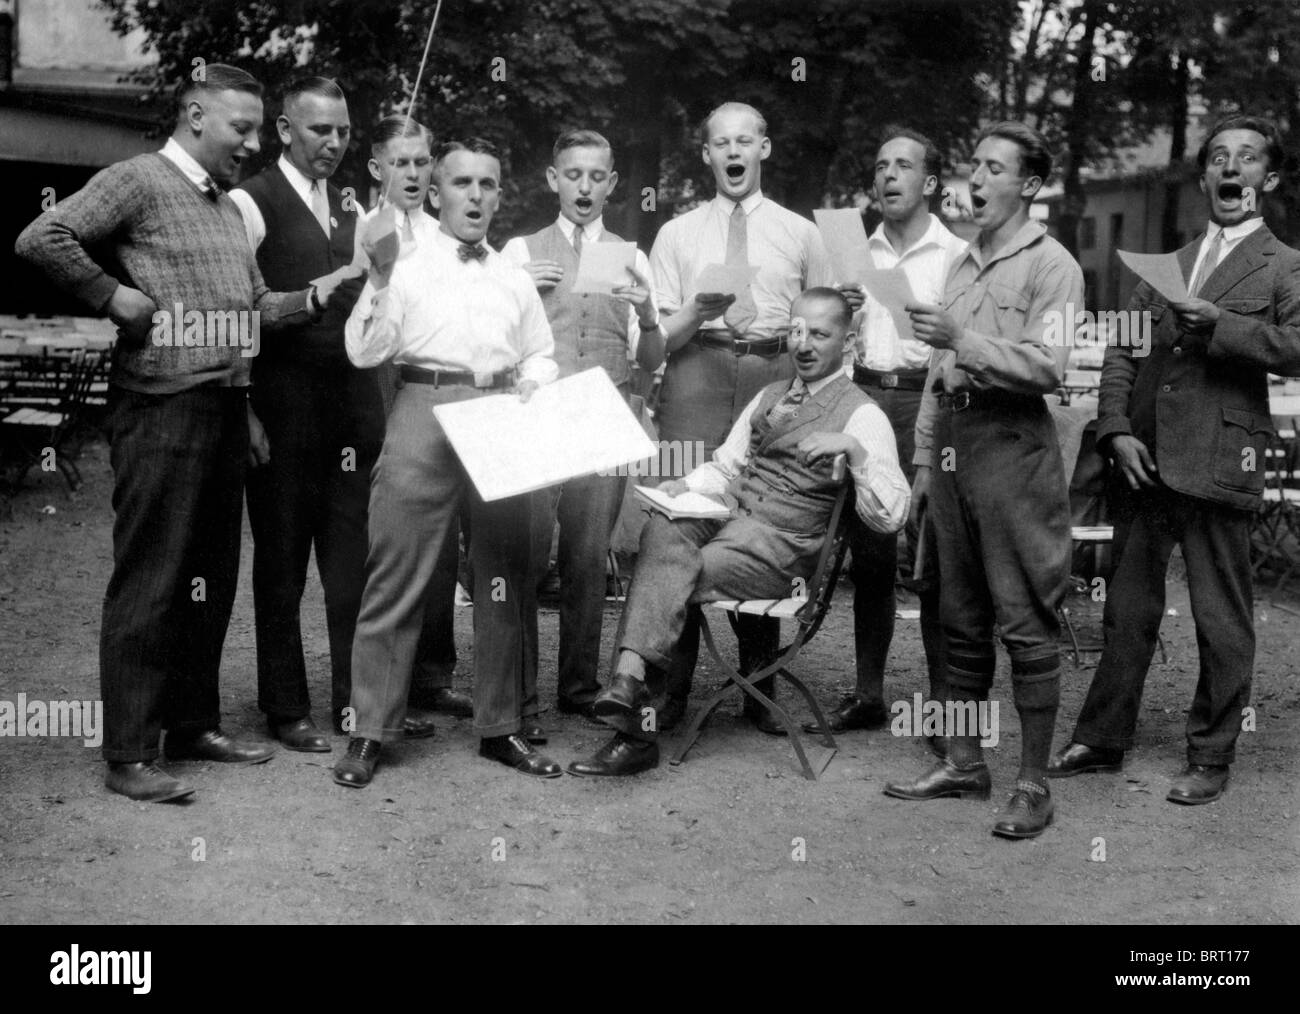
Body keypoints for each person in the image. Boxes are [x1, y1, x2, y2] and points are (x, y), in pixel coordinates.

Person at [15, 64, 340, 802]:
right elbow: (43, 235)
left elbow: (252, 306)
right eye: (242, 127)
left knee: (207, 581)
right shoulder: (139, 178)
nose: (254, 144)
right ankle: (130, 752)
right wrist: (109, 293)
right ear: (195, 116)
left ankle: (192, 726)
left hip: (224, 408)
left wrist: (314, 296)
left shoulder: (225, 207)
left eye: (258, 129)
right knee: (153, 578)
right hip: (160, 408)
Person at [1049, 115, 1300, 804]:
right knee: (1127, 610)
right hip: (1144, 460)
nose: (1231, 168)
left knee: (1221, 617)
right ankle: (1102, 736)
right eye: (1219, 157)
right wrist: (1115, 430)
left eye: (1247, 159)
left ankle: (1211, 756)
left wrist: (1227, 329)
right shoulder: (1167, 266)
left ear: (1268, 179)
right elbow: (1123, 352)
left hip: (1223, 459)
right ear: (1203, 179)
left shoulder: (1285, 265)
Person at [568, 288, 908, 776]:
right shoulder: (768, 396)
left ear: (847, 341)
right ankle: (632, 684)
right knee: (663, 529)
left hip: (783, 553)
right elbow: (726, 468)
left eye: (819, 334)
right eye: (795, 331)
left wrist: (854, 450)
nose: (804, 344)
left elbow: (891, 514)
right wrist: (684, 484)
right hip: (733, 523)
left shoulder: (863, 415)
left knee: (673, 570)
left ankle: (636, 716)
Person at [335, 138, 559, 788]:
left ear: (499, 194)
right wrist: (376, 278)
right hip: (422, 411)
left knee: (503, 579)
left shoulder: (513, 274)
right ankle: (369, 731)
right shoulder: (402, 262)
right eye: (461, 183)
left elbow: (541, 352)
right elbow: (364, 350)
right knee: (395, 573)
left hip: (497, 418)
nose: (477, 196)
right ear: (436, 194)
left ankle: (501, 728)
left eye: (488, 185)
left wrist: (530, 382)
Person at [882, 121, 1082, 840]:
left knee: (1025, 620)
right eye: (974, 164)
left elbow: (1049, 366)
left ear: (1028, 185)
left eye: (994, 168)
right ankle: (965, 761)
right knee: (957, 616)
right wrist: (925, 466)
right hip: (957, 450)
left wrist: (961, 339)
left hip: (1012, 449)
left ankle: (1033, 784)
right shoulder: (963, 262)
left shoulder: (1053, 264)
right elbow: (939, 378)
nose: (976, 177)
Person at [229, 79, 441, 753]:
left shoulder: (358, 212)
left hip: (352, 420)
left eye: (343, 132)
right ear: (286, 130)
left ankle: (360, 705)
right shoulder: (250, 201)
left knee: (354, 570)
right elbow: (238, 312)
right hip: (283, 416)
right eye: (319, 130)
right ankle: (285, 707)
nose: (333, 143)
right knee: (282, 568)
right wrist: (243, 409)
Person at [646, 101, 834, 733]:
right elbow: (660, 337)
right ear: (706, 155)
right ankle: (668, 690)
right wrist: (698, 311)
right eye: (720, 142)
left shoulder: (800, 232)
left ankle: (759, 686)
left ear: (764, 148)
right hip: (697, 371)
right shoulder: (676, 234)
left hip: (773, 372)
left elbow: (829, 321)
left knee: (758, 517)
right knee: (679, 514)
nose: (733, 152)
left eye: (745, 141)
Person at [500, 129, 663, 737]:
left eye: (597, 176)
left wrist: (647, 312)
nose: (585, 187)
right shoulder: (519, 250)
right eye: (573, 175)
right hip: (541, 414)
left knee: (588, 557)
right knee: (527, 550)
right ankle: (520, 691)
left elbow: (651, 359)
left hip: (603, 414)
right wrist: (518, 290)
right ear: (553, 179)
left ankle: (579, 687)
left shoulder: (631, 254)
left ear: (613, 183)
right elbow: (497, 341)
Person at [810, 125, 964, 744]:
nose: (888, 176)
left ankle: (940, 704)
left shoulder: (955, 254)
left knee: (932, 555)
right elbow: (823, 335)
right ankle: (869, 693)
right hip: (867, 398)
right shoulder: (856, 252)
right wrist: (840, 305)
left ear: (929, 183)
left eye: (903, 166)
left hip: (928, 401)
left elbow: (959, 342)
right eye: (880, 167)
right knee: (870, 550)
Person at [353, 114, 475, 722]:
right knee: (379, 546)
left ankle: (432, 675)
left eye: (422, 162)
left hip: (422, 392)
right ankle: (372, 700)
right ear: (377, 168)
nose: (412, 172)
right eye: (399, 162)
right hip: (361, 390)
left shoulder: (445, 234)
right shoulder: (358, 226)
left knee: (441, 543)